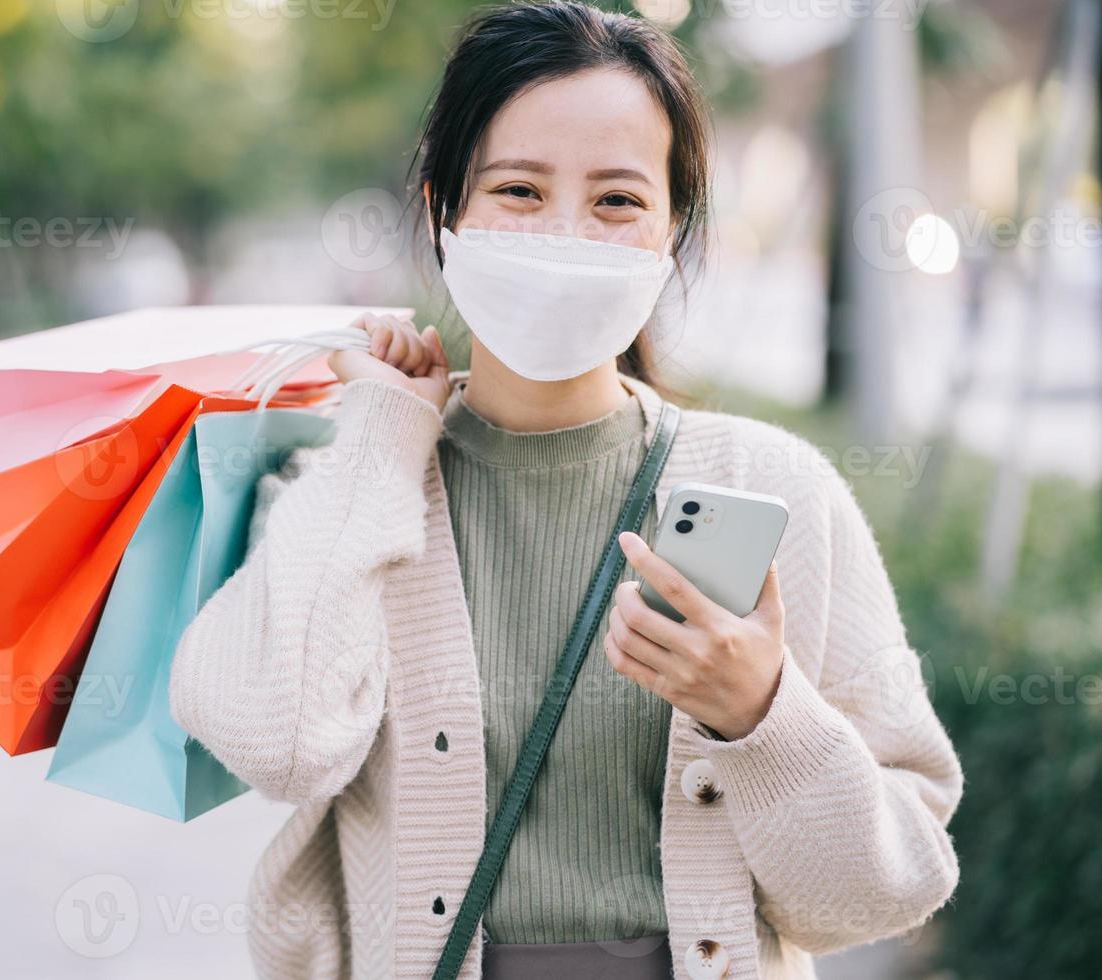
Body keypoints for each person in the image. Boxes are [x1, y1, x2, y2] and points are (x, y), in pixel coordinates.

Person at [169, 2, 963, 978]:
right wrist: (379, 442)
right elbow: (275, 742)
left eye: (617, 201)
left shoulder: (774, 487)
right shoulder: (350, 482)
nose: (564, 234)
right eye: (518, 189)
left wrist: (762, 713)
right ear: (442, 208)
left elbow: (890, 889)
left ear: (674, 229)